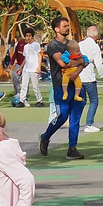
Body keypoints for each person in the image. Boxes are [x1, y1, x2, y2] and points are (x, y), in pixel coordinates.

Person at [39, 17, 86, 159]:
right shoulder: (53, 46)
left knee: (75, 119)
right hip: (61, 86)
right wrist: (79, 61)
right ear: (56, 29)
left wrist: (76, 71)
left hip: (76, 84)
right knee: (62, 115)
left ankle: (72, 148)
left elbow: (82, 62)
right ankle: (46, 136)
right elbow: (63, 63)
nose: (67, 28)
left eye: (68, 25)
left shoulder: (72, 44)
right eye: (64, 26)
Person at [79, 25, 103, 133]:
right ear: (96, 36)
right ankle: (89, 124)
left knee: (81, 101)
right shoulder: (94, 47)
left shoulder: (79, 44)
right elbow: (98, 64)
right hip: (89, 77)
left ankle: (74, 121)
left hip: (78, 76)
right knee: (94, 101)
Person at [17, 27, 44, 107]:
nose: (28, 37)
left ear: (32, 36)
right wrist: (21, 67)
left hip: (34, 69)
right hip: (26, 68)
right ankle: (22, 100)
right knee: (24, 85)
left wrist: (39, 67)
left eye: (29, 36)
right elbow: (26, 58)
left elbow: (40, 56)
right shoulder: (26, 47)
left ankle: (40, 100)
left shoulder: (36, 45)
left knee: (35, 86)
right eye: (26, 36)